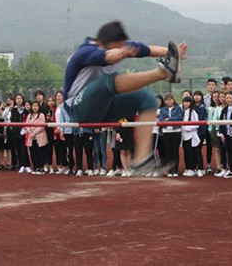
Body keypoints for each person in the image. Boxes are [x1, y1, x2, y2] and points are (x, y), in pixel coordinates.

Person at [63, 21, 187, 176]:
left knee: (146, 97)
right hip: (77, 107)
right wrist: (121, 53)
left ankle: (142, 160)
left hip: (103, 108)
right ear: (101, 44)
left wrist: (173, 53)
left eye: (122, 46)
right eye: (117, 47)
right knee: (109, 80)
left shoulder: (121, 46)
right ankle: (163, 74)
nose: (121, 50)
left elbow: (148, 49)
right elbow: (107, 56)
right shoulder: (86, 51)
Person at [159, 93, 183, 177]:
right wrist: (167, 120)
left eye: (170, 99)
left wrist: (169, 119)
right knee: (168, 152)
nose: (169, 101)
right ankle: (169, 170)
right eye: (167, 100)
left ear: (173, 100)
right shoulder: (163, 110)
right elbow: (161, 120)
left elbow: (179, 117)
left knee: (175, 151)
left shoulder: (178, 108)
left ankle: (175, 170)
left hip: (176, 131)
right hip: (166, 132)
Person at [25, 101, 48, 175]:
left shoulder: (41, 115)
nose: (35, 108)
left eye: (36, 106)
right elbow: (26, 125)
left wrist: (34, 133)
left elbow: (42, 126)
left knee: (40, 152)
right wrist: (30, 132)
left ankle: (41, 167)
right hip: (31, 137)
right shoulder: (29, 115)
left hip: (39, 136)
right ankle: (35, 167)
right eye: (33, 106)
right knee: (32, 152)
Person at [11, 94, 32, 174]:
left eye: (20, 98)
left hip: (24, 133)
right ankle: (21, 166)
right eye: (17, 98)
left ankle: (27, 165)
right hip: (16, 133)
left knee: (24, 150)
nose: (19, 100)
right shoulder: (13, 110)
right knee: (18, 150)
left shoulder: (26, 110)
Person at [181, 96, 200, 177]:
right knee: (186, 152)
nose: (186, 103)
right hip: (184, 136)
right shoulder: (182, 111)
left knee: (191, 152)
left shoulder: (193, 112)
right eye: (184, 102)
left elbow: (197, 124)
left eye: (188, 102)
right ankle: (188, 168)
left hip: (191, 135)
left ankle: (192, 168)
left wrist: (187, 128)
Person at [193, 90, 208, 176]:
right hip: (193, 131)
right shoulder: (192, 106)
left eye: (199, 95)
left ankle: (201, 168)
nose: (197, 97)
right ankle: (195, 167)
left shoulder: (202, 107)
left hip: (200, 132)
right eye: (195, 95)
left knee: (198, 150)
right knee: (194, 151)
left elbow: (199, 118)